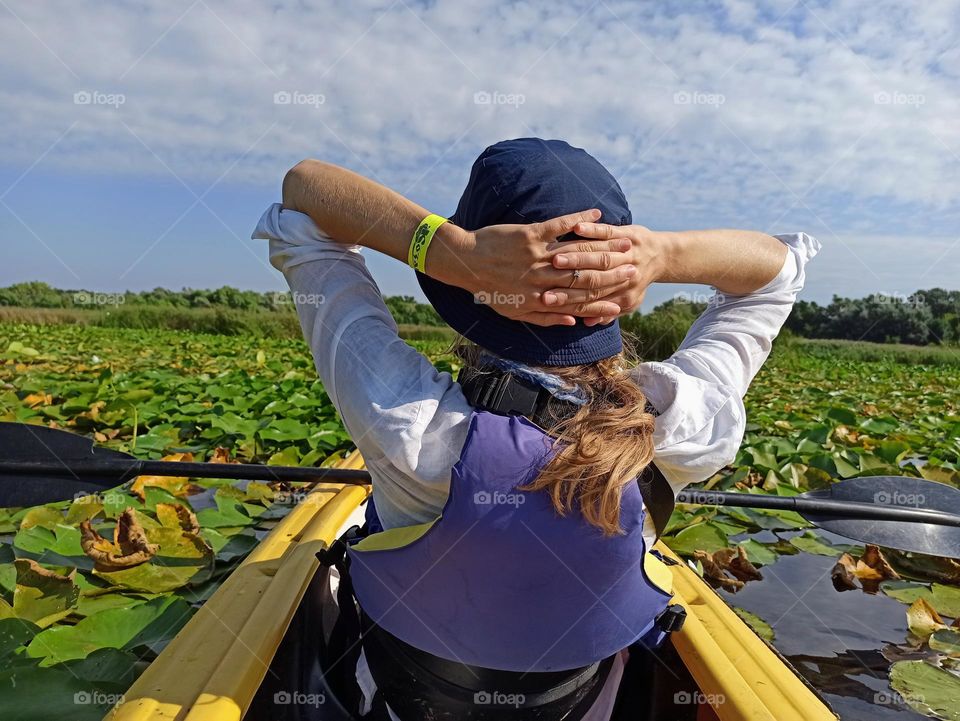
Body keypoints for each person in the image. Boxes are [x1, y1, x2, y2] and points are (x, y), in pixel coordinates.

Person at [253, 137, 820, 720]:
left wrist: (447, 251)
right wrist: (661, 254)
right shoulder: (682, 427)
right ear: (618, 289)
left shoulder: (408, 425)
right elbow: (775, 274)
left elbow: (304, 195)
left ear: (469, 293)